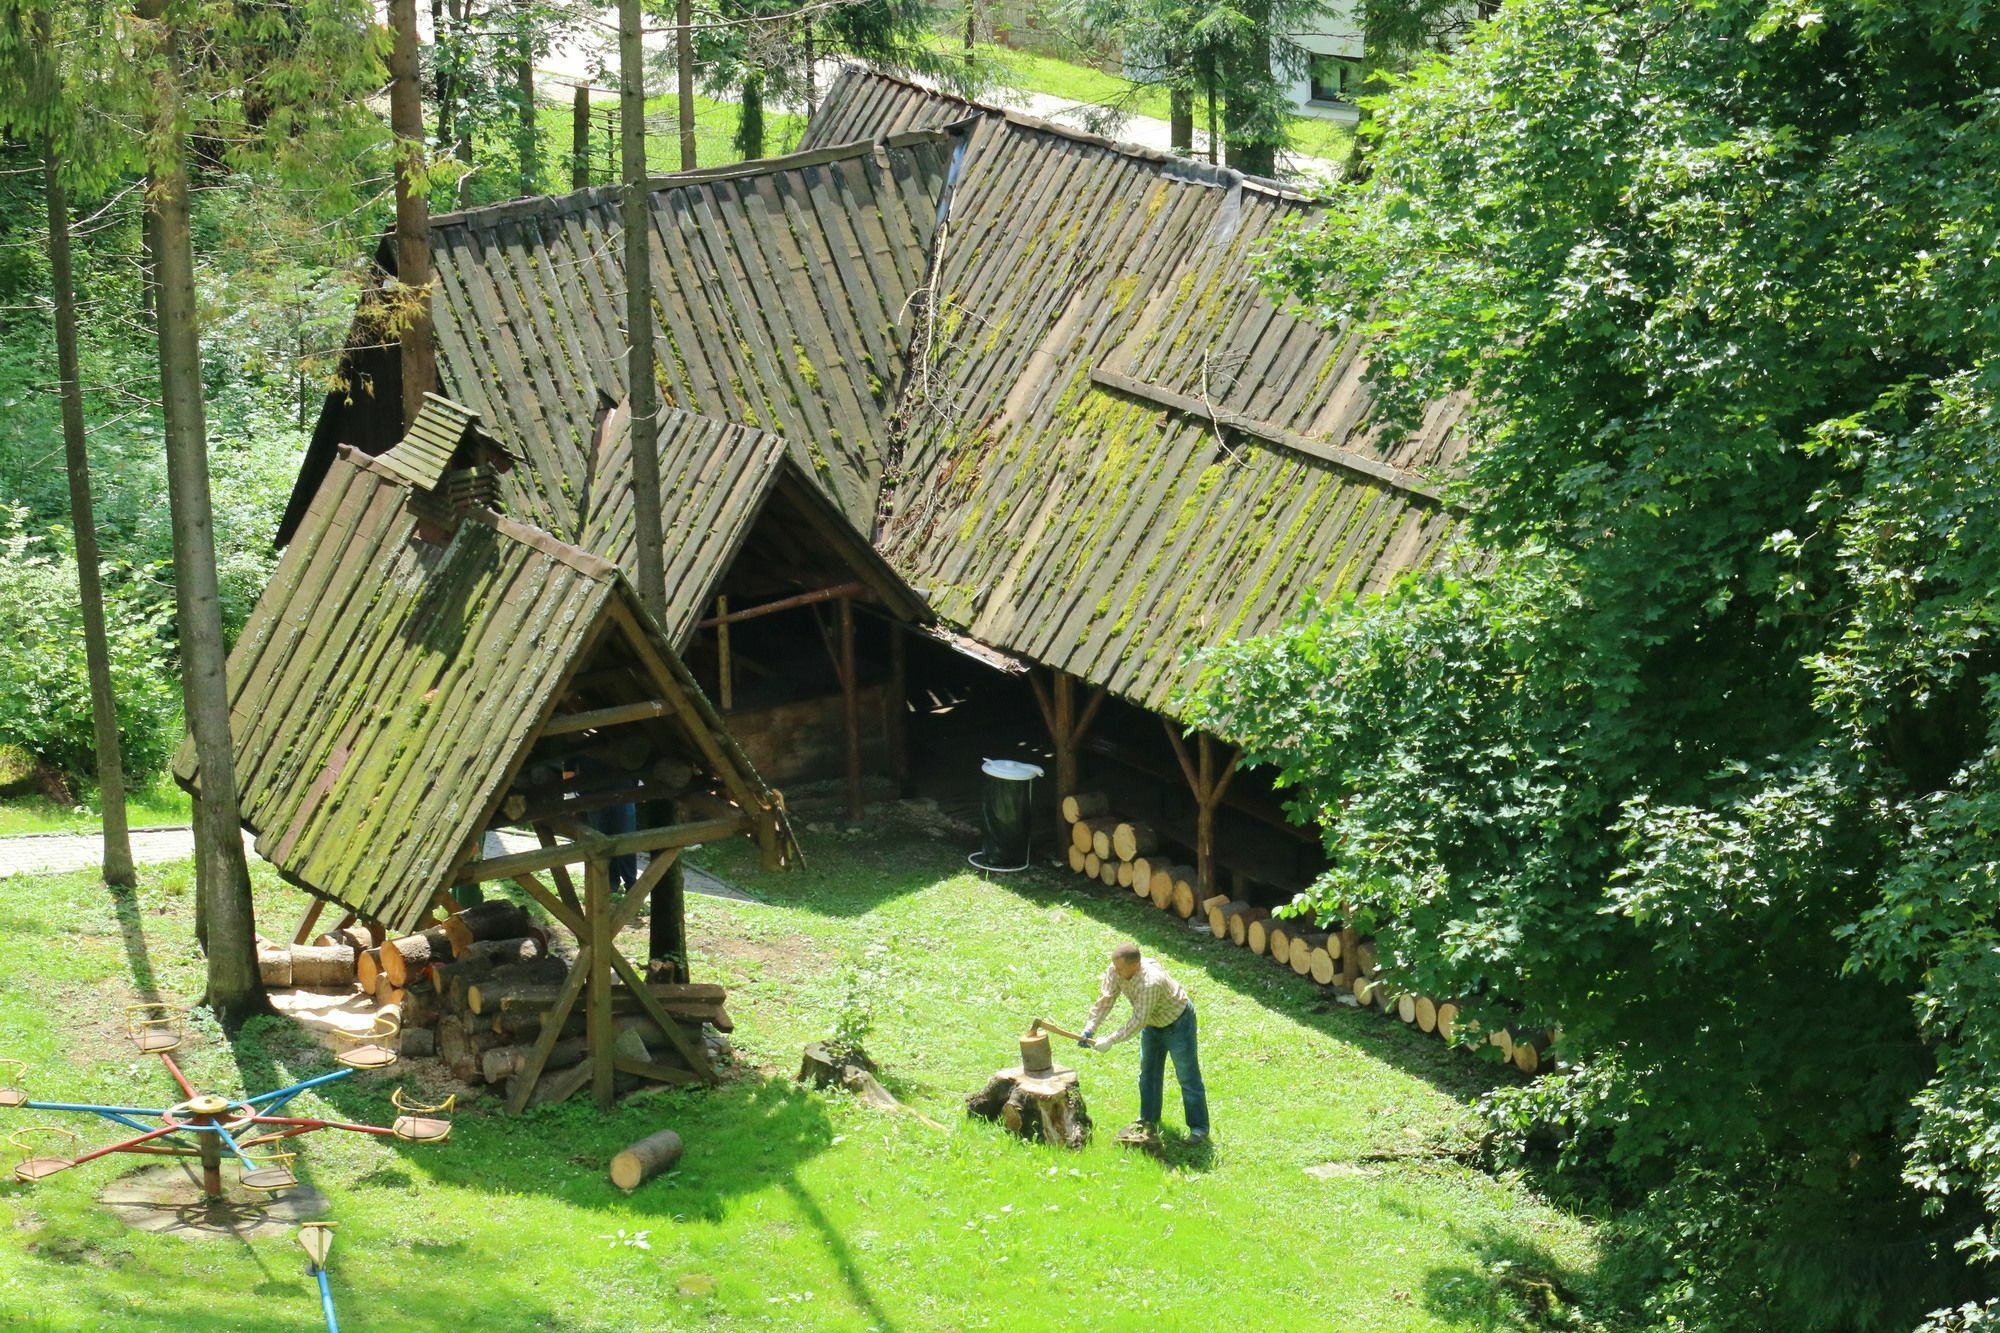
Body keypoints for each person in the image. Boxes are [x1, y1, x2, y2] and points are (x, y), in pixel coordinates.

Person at [1078, 943, 1209, 1143]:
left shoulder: (1151, 983)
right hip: (1152, 1024)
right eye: (1115, 966)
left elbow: (1138, 1020)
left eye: (1120, 968)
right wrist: (1090, 1027)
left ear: (1136, 965)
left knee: (1187, 1075)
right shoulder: (1116, 970)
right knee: (1148, 1072)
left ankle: (1199, 1129)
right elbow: (1106, 999)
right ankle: (1148, 1119)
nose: (1116, 971)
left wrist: (1111, 1040)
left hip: (1177, 1022)